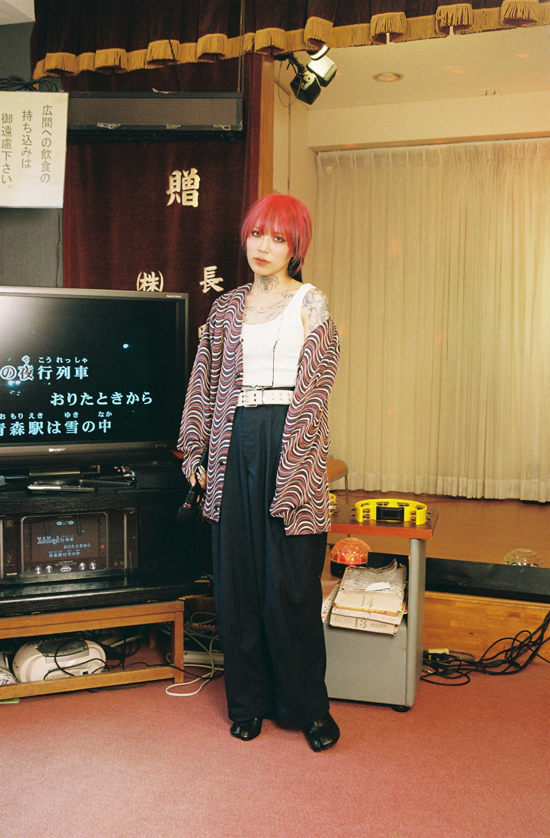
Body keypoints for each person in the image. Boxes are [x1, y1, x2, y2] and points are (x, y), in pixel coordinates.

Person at [177, 193, 340, 751]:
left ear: (296, 247)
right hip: (233, 441)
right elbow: (203, 384)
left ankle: (309, 709)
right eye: (256, 234)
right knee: (237, 585)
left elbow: (316, 390)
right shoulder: (226, 308)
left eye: (278, 237)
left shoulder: (311, 302)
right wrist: (196, 452)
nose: (263, 246)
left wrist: (297, 466)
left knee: (290, 587)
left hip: (290, 444)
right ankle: (247, 703)